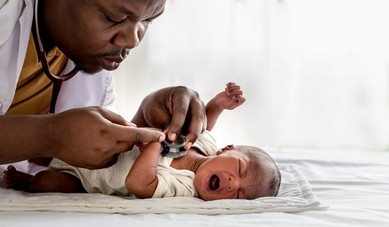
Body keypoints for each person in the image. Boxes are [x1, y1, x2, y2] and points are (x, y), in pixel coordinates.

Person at [0, 0, 206, 184]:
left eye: (148, 20)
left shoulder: (89, 59)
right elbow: (55, 141)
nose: (133, 41)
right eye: (113, 18)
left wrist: (143, 119)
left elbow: (83, 166)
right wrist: (51, 135)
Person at [4, 83, 281, 201]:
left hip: (88, 181)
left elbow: (138, 183)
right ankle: (39, 148)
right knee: (49, 146)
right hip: (104, 147)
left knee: (47, 183)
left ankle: (25, 181)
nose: (234, 184)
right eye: (241, 170)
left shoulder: (185, 187)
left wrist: (154, 145)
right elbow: (204, 122)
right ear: (226, 149)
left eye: (241, 196)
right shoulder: (205, 146)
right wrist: (218, 104)